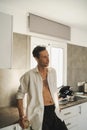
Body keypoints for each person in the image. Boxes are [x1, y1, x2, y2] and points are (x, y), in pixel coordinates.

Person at [16, 46, 68, 130]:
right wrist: (22, 116)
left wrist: (57, 105)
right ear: (36, 58)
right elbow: (19, 96)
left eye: (48, 56)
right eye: (44, 57)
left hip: (54, 111)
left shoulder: (52, 72)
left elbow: (54, 91)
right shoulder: (29, 75)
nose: (48, 59)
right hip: (39, 114)